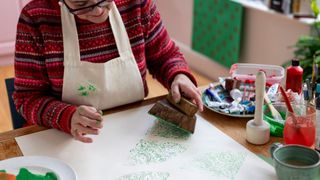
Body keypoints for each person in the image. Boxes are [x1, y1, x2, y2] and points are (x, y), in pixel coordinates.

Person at [13, 0, 203, 143]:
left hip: (131, 132)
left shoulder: (135, 3)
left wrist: (179, 75)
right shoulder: (35, 18)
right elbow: (27, 98)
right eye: (81, 3)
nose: (97, 10)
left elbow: (165, 56)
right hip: (69, 140)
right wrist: (65, 116)